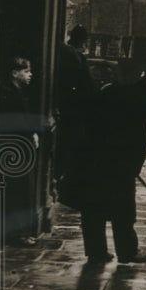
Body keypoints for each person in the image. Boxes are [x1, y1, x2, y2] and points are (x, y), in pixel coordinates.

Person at [80, 71, 146, 264]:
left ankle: (96, 253)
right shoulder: (144, 102)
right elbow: (140, 140)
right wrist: (133, 167)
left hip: (94, 157)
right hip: (120, 164)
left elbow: (89, 114)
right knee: (123, 210)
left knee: (93, 207)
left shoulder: (116, 89)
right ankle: (127, 252)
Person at [0, 55, 41, 242]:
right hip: (15, 147)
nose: (30, 75)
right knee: (17, 191)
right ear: (14, 73)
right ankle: (16, 234)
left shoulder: (18, 90)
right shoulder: (9, 93)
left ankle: (20, 233)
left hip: (20, 147)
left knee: (21, 190)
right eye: (26, 71)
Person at [55, 25, 95, 197]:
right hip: (74, 110)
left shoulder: (68, 51)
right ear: (83, 41)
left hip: (69, 108)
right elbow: (84, 84)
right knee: (73, 147)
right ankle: (66, 184)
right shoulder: (75, 56)